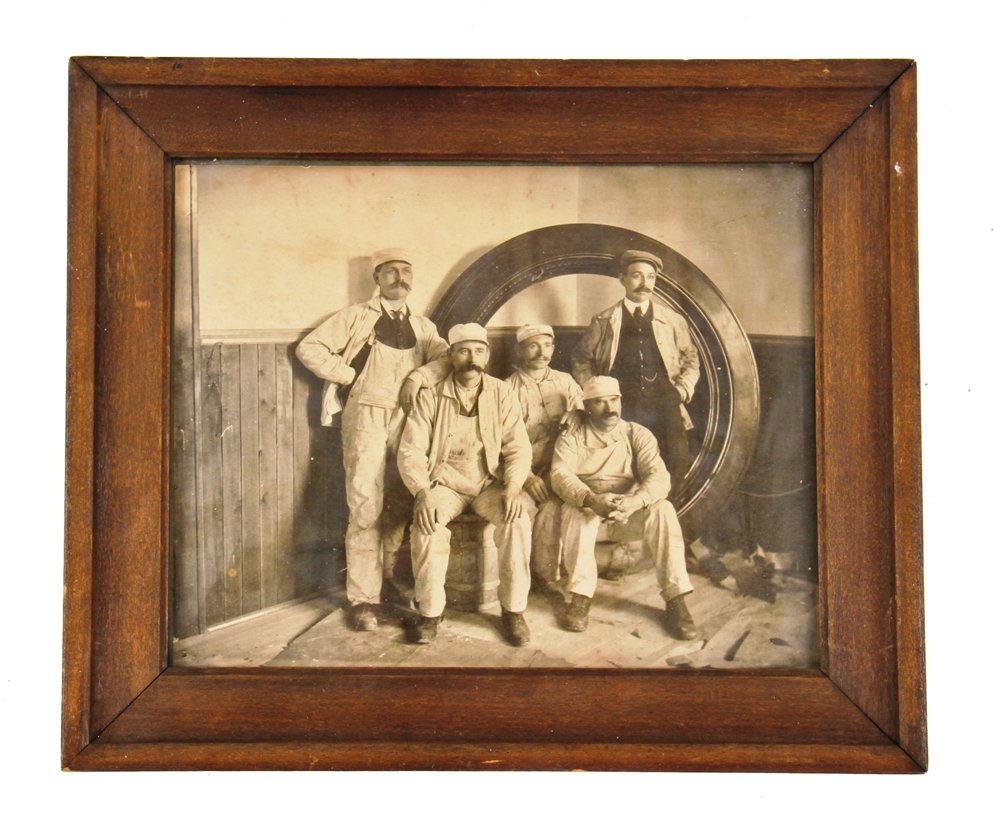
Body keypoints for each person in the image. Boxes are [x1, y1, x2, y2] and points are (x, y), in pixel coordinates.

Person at [296, 248, 449, 632]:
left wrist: (420, 378)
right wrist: (346, 376)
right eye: (392, 271)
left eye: (407, 271)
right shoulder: (356, 317)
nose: (401, 278)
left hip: (409, 418)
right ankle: (363, 600)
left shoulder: (423, 325)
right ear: (377, 279)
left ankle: (392, 584)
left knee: (401, 503)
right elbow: (309, 348)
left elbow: (445, 359)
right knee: (365, 503)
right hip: (365, 414)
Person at [397, 322, 535, 646]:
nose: (471, 358)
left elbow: (518, 447)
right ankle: (430, 614)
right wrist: (423, 492)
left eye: (478, 351)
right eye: (463, 351)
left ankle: (513, 611)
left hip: (488, 482)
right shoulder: (430, 397)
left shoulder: (503, 393)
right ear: (451, 355)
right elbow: (410, 451)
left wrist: (513, 487)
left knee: (517, 521)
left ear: (486, 355)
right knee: (426, 526)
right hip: (443, 484)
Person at [550, 375, 698, 639]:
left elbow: (659, 476)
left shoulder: (636, 433)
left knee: (662, 509)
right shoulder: (572, 436)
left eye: (614, 400)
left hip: (626, 513)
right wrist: (592, 499)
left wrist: (635, 501)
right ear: (586, 406)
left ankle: (676, 600)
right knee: (575, 511)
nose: (609, 409)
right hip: (591, 512)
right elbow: (561, 475)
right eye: (599, 402)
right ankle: (580, 597)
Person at [572, 250, 699, 495]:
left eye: (650, 277)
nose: (644, 284)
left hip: (665, 402)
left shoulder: (672, 320)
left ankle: (665, 517)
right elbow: (581, 359)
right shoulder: (604, 320)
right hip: (624, 404)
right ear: (622, 279)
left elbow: (691, 358)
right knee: (629, 464)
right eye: (637, 276)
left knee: (676, 461)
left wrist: (682, 389)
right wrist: (598, 392)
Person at [504, 323, 585, 592]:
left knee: (554, 505)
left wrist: (577, 413)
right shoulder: (506, 389)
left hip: (562, 466)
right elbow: (497, 443)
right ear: (519, 350)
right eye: (533, 345)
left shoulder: (566, 382)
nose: (542, 352)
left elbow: (588, 421)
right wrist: (525, 478)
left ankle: (548, 577)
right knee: (524, 509)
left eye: (547, 345)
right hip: (522, 469)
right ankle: (530, 578)